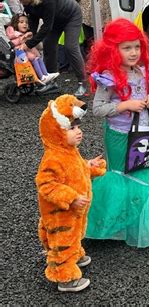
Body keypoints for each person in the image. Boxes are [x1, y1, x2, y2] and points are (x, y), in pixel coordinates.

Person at [86, 18, 149, 248]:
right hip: (120, 136)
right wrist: (125, 105)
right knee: (123, 175)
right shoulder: (108, 77)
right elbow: (97, 108)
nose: (133, 53)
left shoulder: (143, 70)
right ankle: (120, 224)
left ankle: (143, 222)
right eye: (126, 48)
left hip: (143, 132)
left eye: (136, 46)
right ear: (113, 50)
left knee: (144, 172)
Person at [36, 94, 106, 292]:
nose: (78, 132)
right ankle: (64, 276)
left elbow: (74, 170)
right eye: (71, 128)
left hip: (74, 211)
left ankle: (73, 254)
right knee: (63, 240)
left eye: (77, 127)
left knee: (74, 235)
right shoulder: (52, 158)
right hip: (61, 213)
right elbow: (47, 185)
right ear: (57, 132)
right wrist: (71, 197)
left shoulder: (69, 152)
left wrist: (89, 166)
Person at [9, 0, 87, 96]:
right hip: (55, 19)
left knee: (70, 47)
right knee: (48, 45)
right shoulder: (28, 1)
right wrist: (31, 33)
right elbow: (33, 17)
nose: (21, 2)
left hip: (71, 15)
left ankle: (83, 82)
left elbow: (47, 27)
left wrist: (28, 44)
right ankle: (51, 82)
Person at [6, 14, 60, 84]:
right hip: (21, 55)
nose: (25, 24)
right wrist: (21, 39)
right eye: (21, 22)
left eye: (26, 22)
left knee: (38, 58)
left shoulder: (27, 34)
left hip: (28, 52)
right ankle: (42, 77)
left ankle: (46, 74)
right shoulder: (15, 35)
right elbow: (14, 43)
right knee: (34, 58)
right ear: (15, 24)